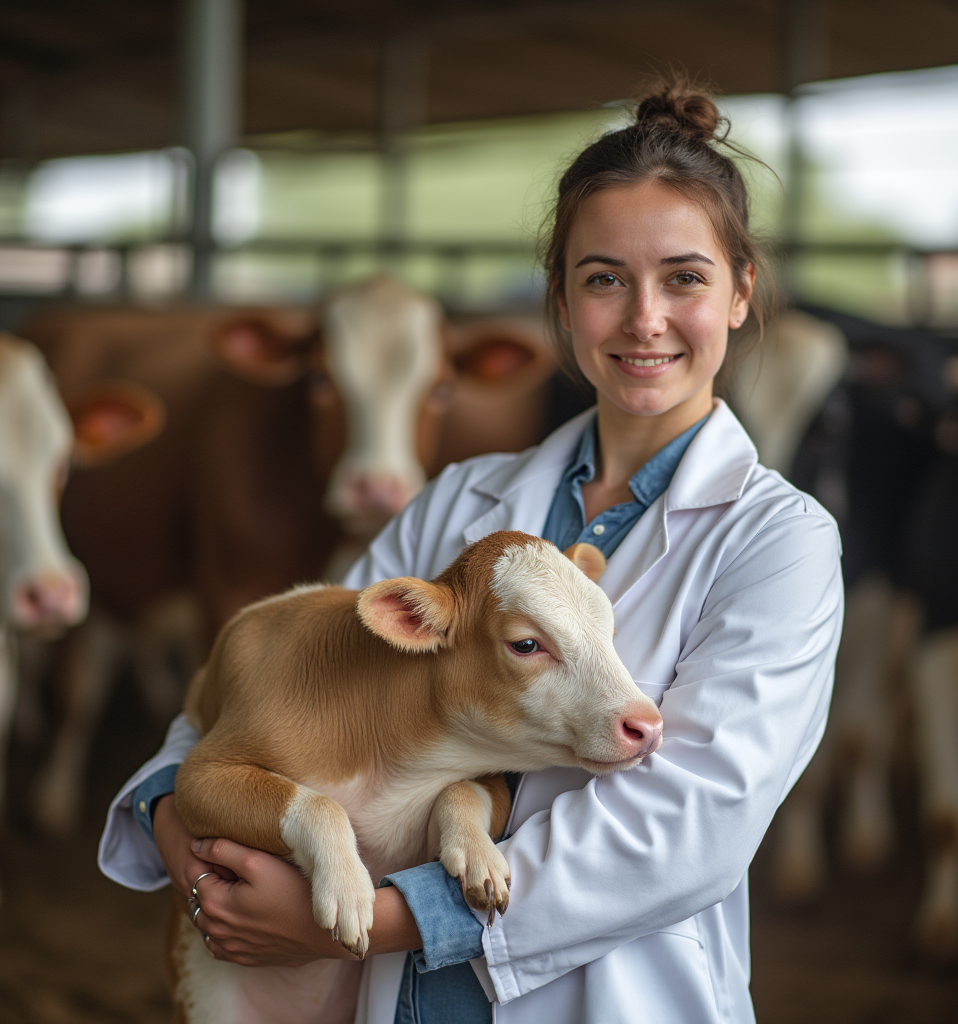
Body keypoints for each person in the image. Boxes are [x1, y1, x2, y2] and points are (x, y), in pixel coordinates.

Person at [99, 81, 843, 1024]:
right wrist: (177, 816)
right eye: (604, 278)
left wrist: (375, 915)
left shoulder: (781, 543)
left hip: (603, 994)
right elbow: (297, 681)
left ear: (740, 293)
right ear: (563, 302)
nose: (644, 318)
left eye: (685, 279)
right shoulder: (458, 499)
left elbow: (691, 824)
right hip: (378, 994)